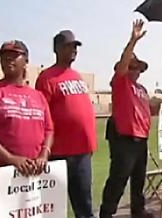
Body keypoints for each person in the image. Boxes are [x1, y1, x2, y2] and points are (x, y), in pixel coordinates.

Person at [99, 20, 162, 218]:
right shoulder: (120, 82)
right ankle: (107, 212)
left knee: (138, 177)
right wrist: (133, 41)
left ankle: (138, 210)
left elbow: (150, 109)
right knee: (119, 177)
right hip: (123, 137)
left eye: (138, 69)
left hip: (141, 138)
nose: (135, 71)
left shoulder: (141, 89)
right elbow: (124, 62)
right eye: (132, 67)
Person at [0, 40, 54, 218]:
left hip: (30, 174)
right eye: (4, 57)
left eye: (13, 56)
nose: (7, 60)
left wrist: (44, 154)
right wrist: (11, 158)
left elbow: (49, 130)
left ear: (25, 61)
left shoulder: (38, 96)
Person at [35, 30, 97, 218]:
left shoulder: (77, 76)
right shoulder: (47, 77)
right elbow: (42, 117)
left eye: (76, 46)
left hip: (82, 153)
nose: (74, 50)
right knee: (54, 208)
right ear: (57, 49)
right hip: (59, 154)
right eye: (70, 46)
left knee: (84, 206)